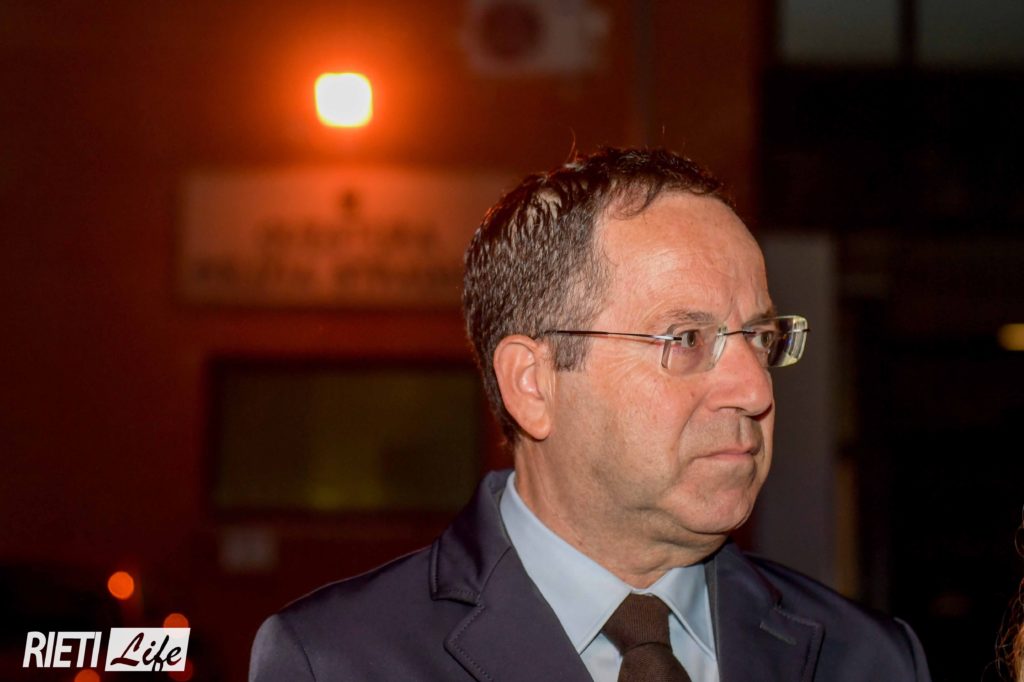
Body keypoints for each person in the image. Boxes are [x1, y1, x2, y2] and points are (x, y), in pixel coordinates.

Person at [249, 147, 931, 681]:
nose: (755, 390)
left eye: (758, 336)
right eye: (685, 339)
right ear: (533, 384)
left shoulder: (869, 659)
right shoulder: (336, 661)